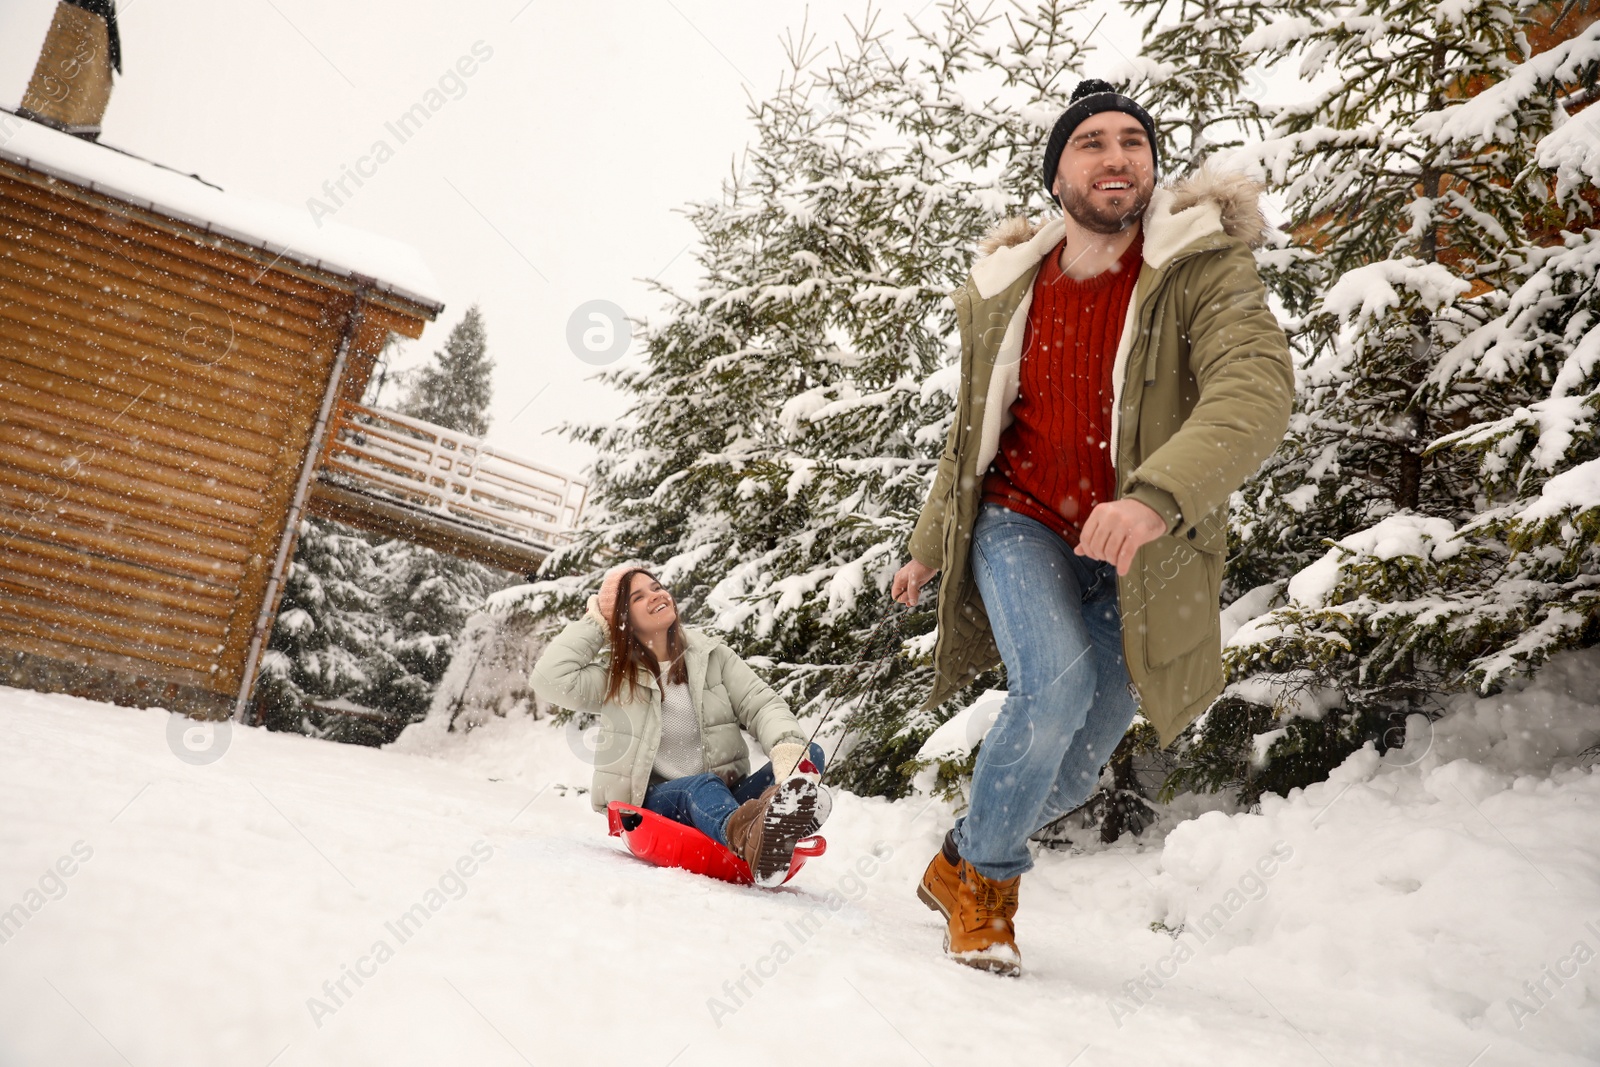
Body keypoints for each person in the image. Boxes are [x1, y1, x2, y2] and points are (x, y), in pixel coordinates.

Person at [892, 79, 1294, 975]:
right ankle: (987, 889)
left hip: (1140, 552)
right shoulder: (1008, 286)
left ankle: (959, 851)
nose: (1117, 158)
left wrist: (1155, 496)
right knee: (1055, 688)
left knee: (1072, 770)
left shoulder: (1201, 271)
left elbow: (1256, 387)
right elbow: (972, 436)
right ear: (1057, 174)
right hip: (1018, 521)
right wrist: (927, 545)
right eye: (1092, 143)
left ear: (1151, 167)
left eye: (1133, 143)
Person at [530, 563, 830, 886]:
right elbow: (548, 678)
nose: (655, 595)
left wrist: (787, 750)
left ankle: (769, 825)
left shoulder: (712, 657)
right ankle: (748, 834)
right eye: (637, 597)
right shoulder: (615, 677)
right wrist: (597, 624)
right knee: (701, 786)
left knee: (807, 752)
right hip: (658, 805)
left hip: (725, 795)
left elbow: (761, 704)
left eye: (657, 587)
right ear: (622, 619)